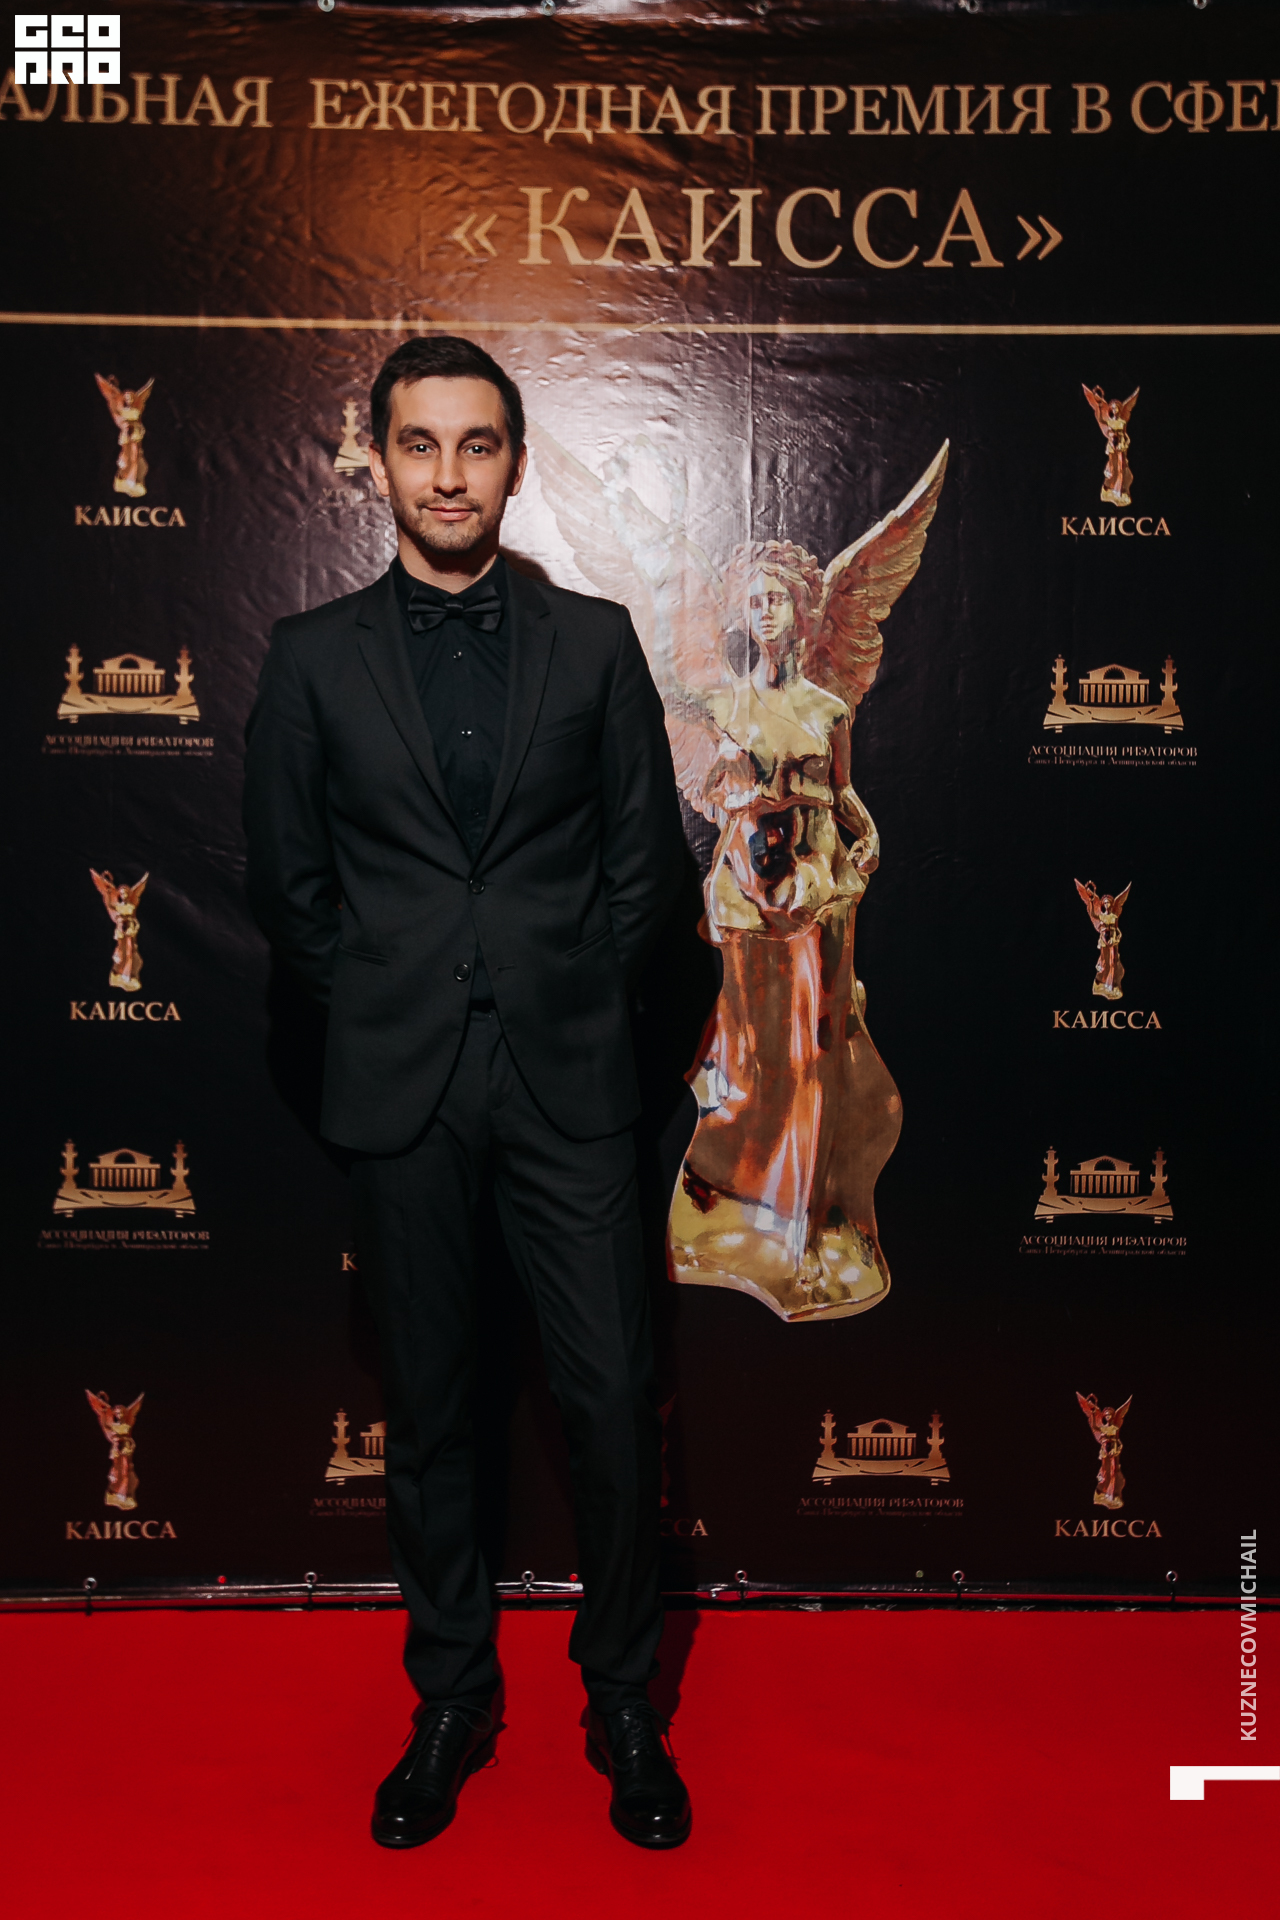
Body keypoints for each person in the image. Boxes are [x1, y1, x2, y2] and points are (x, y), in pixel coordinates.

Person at [243, 336, 690, 1850]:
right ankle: (450, 1697)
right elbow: (290, 889)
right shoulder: (311, 656)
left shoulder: (597, 643)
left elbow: (647, 871)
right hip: (405, 1087)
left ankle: (622, 1698)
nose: (448, 474)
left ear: (514, 462)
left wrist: (571, 997)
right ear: (376, 458)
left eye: (477, 444)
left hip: (569, 1082)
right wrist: (388, 997)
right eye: (420, 443)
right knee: (432, 1414)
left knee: (612, 1403)